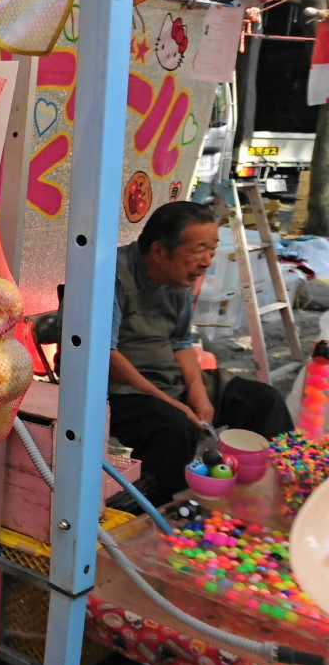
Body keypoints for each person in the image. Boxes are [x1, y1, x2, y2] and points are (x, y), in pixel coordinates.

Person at [108, 200, 293, 501]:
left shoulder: (181, 277)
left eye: (212, 248)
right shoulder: (111, 276)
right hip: (121, 388)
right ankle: (165, 515)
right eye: (198, 250)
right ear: (158, 251)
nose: (207, 261)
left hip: (170, 377)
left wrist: (197, 390)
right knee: (175, 427)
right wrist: (169, 401)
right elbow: (105, 355)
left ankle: (273, 494)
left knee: (262, 400)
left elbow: (180, 342)